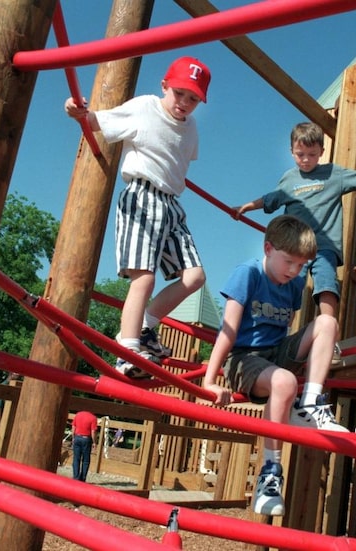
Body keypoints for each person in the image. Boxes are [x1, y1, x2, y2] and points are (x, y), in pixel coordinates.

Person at [64, 56, 212, 379]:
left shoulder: (192, 129)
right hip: (143, 196)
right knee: (144, 278)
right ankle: (127, 348)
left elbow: (181, 158)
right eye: (179, 93)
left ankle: (146, 326)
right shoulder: (146, 107)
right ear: (164, 86)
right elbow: (98, 121)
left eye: (193, 99)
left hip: (172, 205)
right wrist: (78, 112)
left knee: (195, 276)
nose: (184, 103)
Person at [202, 214, 348, 516]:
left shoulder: (293, 285)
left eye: (301, 265)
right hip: (243, 358)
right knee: (284, 382)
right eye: (288, 262)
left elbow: (286, 330)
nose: (294, 271)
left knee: (327, 321)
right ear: (268, 249)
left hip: (275, 354)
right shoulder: (249, 274)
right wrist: (209, 379)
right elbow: (227, 332)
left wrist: (310, 356)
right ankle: (270, 474)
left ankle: (309, 404)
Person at [234, 122, 356, 319]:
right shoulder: (289, 179)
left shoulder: (333, 174)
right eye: (300, 154)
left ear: (322, 151)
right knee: (288, 281)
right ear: (291, 152)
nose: (306, 160)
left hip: (323, 245)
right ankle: (281, 323)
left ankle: (328, 324)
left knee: (326, 281)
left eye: (312, 154)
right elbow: (269, 199)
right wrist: (247, 206)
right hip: (295, 246)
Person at [71, 410, 98, 482]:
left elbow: (73, 427)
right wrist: (94, 442)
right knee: (86, 460)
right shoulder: (93, 418)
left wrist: (73, 437)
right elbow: (93, 432)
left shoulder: (78, 414)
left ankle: (75, 477)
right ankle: (82, 478)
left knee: (76, 459)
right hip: (86, 439)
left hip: (77, 437)